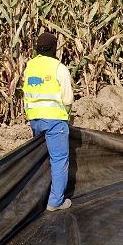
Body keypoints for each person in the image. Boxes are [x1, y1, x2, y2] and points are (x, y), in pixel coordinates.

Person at [22, 32, 74, 211]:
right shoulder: (59, 68)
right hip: (54, 121)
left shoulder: (30, 66)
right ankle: (55, 202)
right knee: (59, 159)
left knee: (42, 156)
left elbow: (26, 94)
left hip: (34, 119)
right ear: (54, 47)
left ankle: (38, 195)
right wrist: (65, 118)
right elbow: (67, 100)